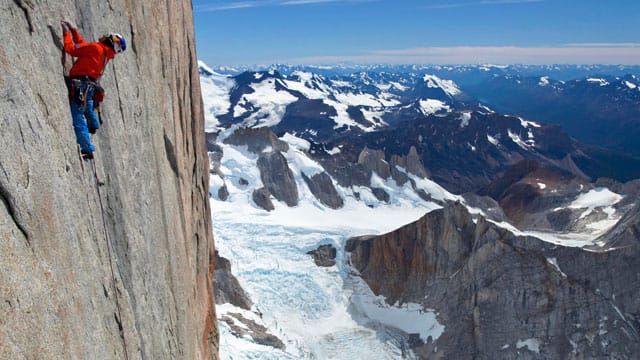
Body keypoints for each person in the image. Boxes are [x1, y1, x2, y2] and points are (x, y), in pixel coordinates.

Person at [61, 20, 126, 159]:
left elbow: (72, 50)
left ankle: (87, 148)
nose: (103, 35)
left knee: (78, 116)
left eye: (107, 35)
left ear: (110, 40)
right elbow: (85, 48)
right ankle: (93, 123)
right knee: (88, 103)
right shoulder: (104, 54)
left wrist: (66, 33)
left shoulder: (97, 48)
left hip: (80, 84)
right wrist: (74, 31)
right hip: (89, 85)